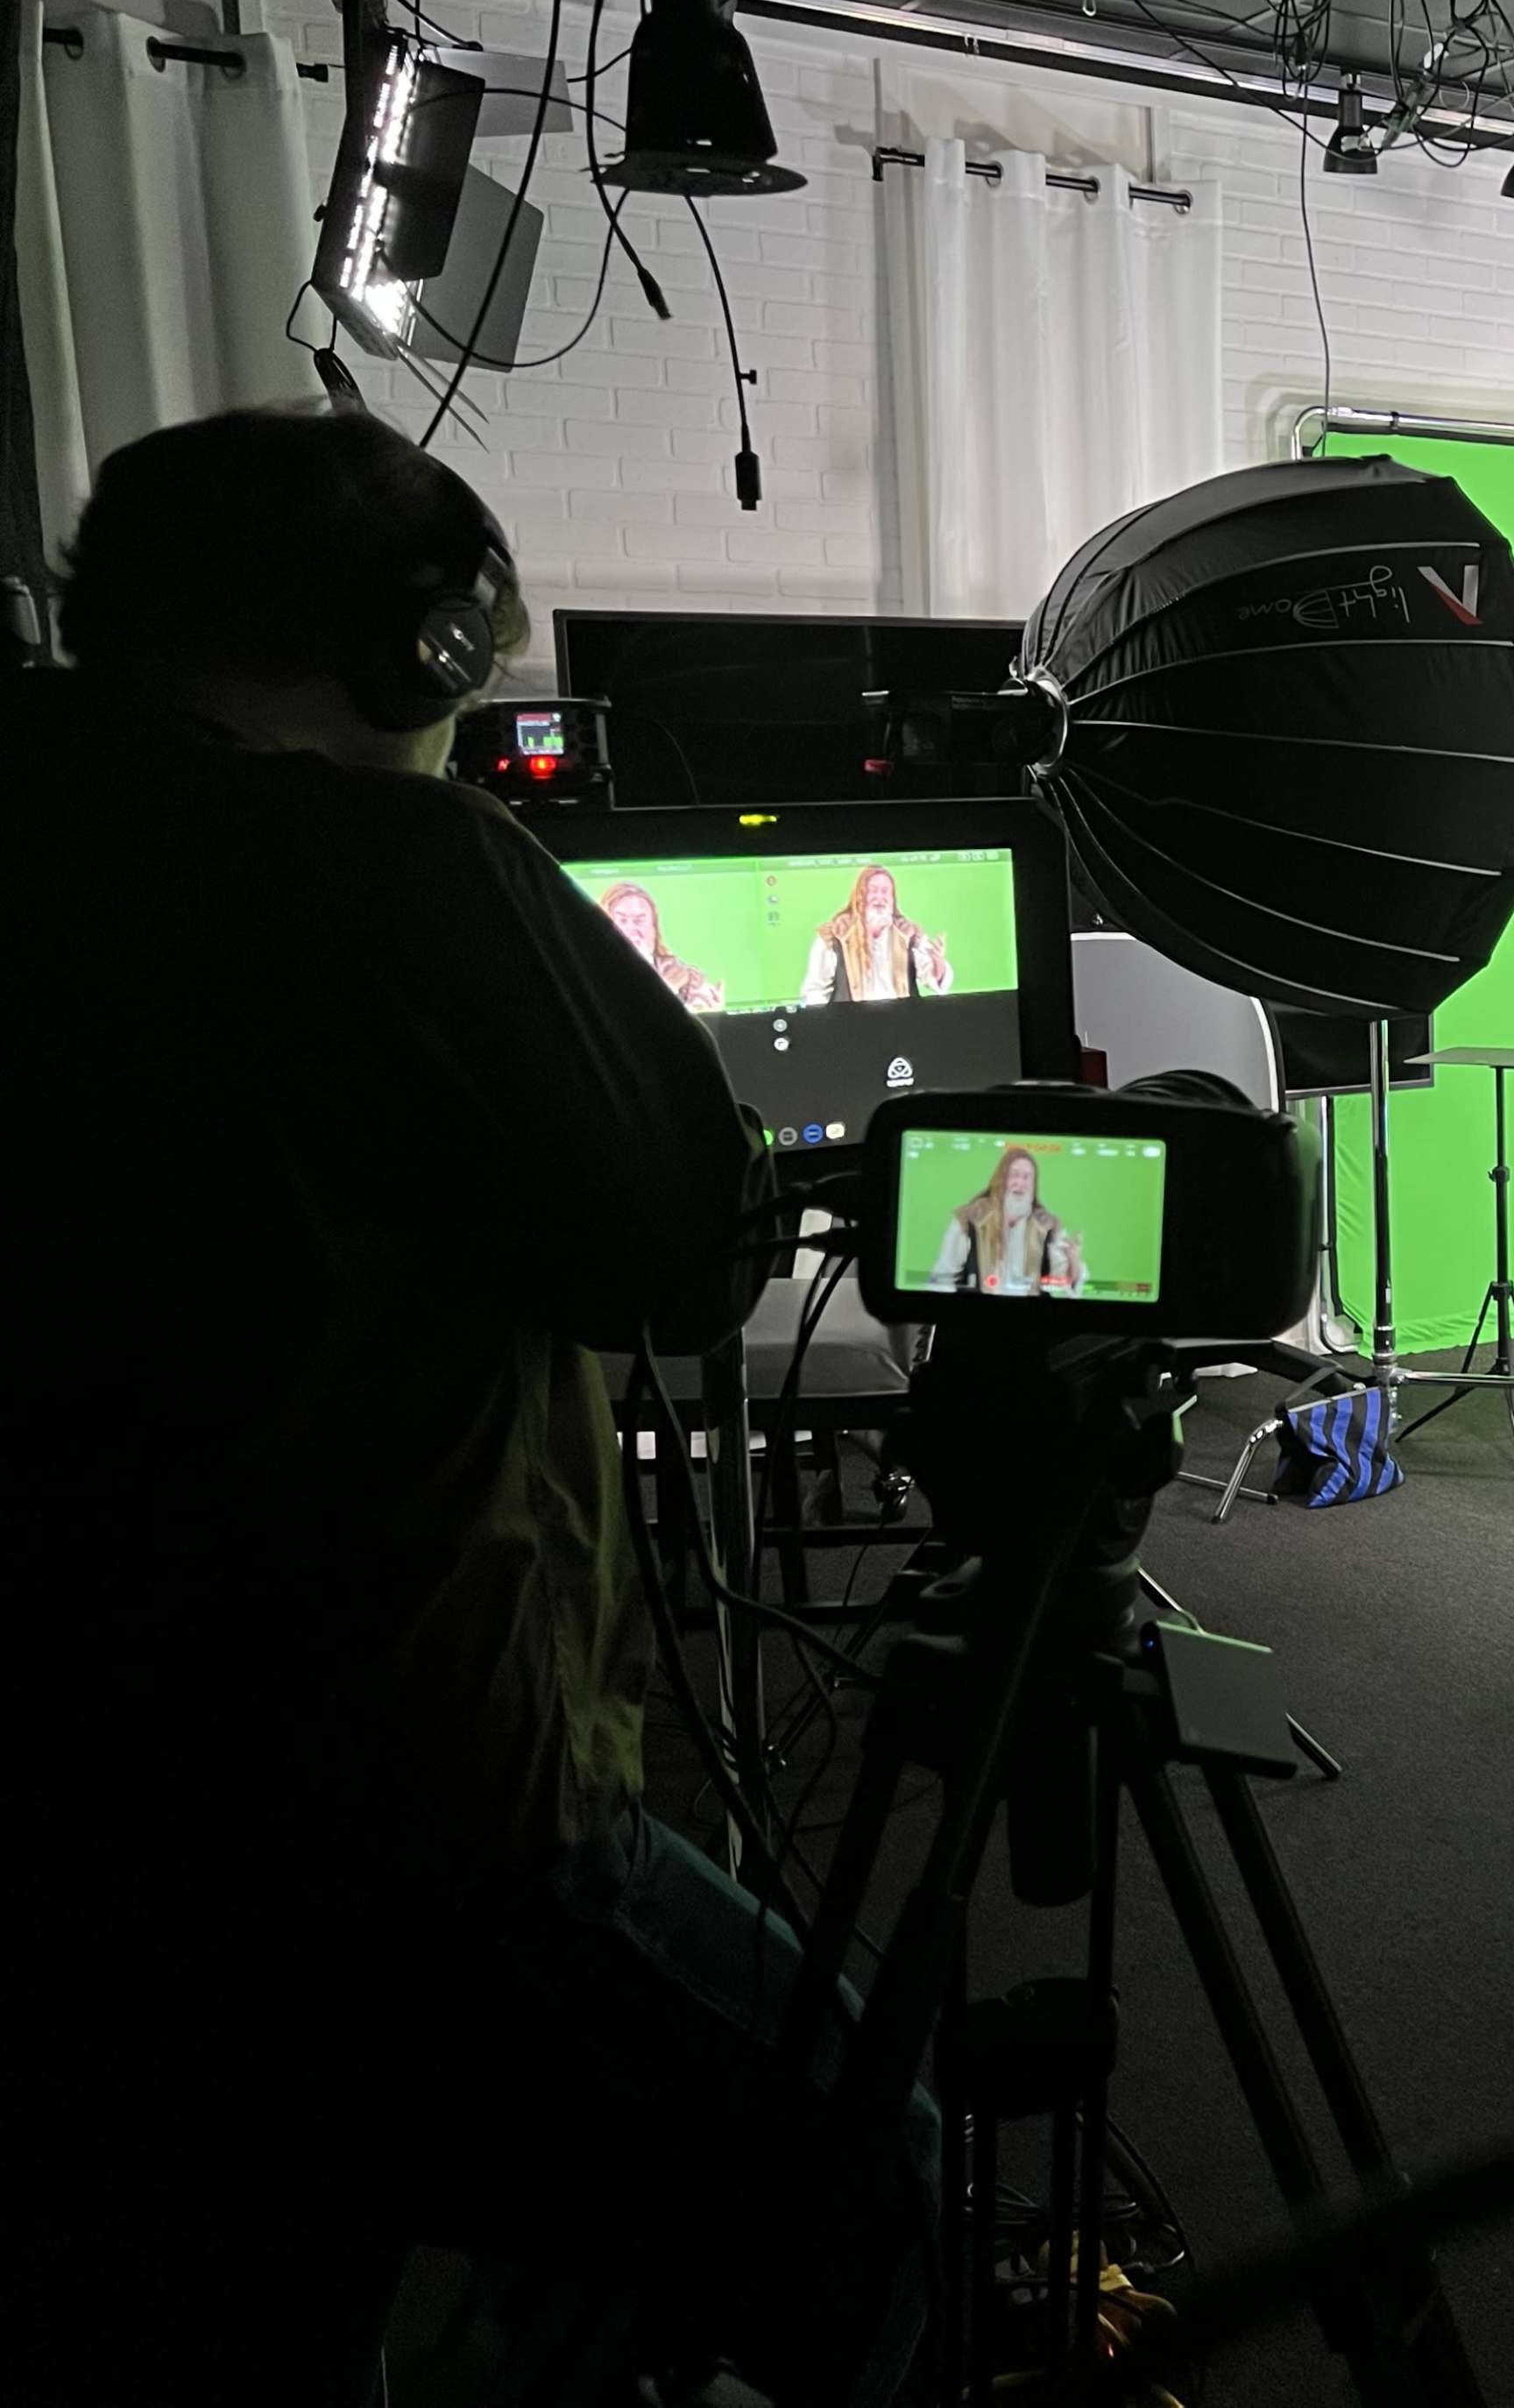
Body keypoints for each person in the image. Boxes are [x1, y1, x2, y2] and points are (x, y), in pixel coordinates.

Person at [15, 407, 926, 2406]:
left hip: (95, 1822)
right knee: (850, 2144)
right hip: (410, 1795)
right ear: (424, 655)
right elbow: (679, 1248)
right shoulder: (387, 864)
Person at [933, 1145, 1085, 1296]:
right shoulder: (969, 1220)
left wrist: (1074, 1261)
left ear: (1033, 1186)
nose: (1020, 1183)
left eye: (1026, 1177)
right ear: (1001, 1180)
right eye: (1015, 1175)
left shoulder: (1048, 1226)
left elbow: (1065, 1282)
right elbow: (942, 1279)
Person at [801, 863, 952, 1003]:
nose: (880, 898)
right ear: (859, 896)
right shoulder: (834, 936)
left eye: (885, 892)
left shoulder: (909, 934)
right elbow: (816, 991)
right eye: (873, 891)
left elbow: (932, 979)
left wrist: (938, 963)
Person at [598, 877, 728, 1011]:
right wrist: (666, 989)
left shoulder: (673, 968)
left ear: (653, 928)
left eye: (639, 921)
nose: (631, 930)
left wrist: (710, 1007)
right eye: (622, 920)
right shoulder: (592, 972)